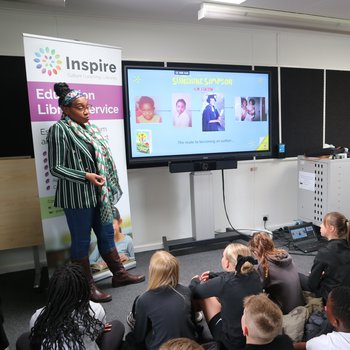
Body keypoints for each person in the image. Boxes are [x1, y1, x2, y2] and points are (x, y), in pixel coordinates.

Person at [47, 82, 145, 303]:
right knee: (81, 241)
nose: (87, 111)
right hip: (77, 196)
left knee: (107, 234)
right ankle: (87, 287)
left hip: (100, 195)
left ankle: (119, 275)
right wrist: (86, 176)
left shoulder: (90, 129)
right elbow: (56, 168)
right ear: (65, 109)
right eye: (80, 107)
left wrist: (99, 180)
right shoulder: (59, 130)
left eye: (88, 106)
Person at [16, 264, 125, 350]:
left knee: (24, 339)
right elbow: (96, 336)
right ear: (83, 289)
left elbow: (36, 340)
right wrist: (99, 329)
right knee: (116, 326)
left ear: (53, 290)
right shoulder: (95, 309)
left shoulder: (38, 316)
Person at [190, 243, 263, 350]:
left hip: (231, 343)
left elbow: (196, 291)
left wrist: (194, 281)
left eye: (223, 256)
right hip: (253, 335)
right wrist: (214, 275)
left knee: (206, 296)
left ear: (227, 263)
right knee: (222, 294)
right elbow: (232, 274)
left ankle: (194, 325)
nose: (222, 258)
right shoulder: (255, 274)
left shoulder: (224, 283)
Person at [125, 251, 197, 350]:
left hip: (162, 347)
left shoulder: (144, 299)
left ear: (152, 272)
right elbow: (193, 324)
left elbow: (139, 336)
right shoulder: (186, 291)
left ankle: (134, 318)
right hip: (188, 345)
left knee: (132, 337)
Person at [248, 232, 305, 314]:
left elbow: (258, 288)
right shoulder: (285, 256)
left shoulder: (264, 266)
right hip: (299, 303)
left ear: (256, 253)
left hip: (285, 310)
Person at [299, 211, 350, 302]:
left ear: (331, 228)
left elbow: (312, 284)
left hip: (329, 296)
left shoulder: (325, 252)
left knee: (297, 276)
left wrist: (318, 276)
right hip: (345, 292)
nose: (321, 225)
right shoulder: (347, 245)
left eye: (323, 223)